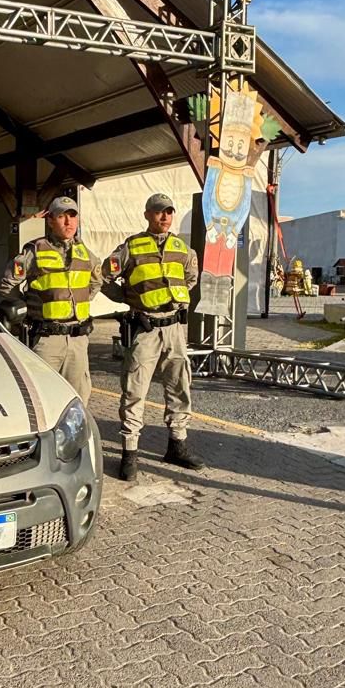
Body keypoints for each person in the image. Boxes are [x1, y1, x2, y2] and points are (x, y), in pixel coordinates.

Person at [102, 193, 203, 481]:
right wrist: (130, 300)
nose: (164, 217)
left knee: (179, 387)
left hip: (174, 330)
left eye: (169, 212)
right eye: (159, 212)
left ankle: (177, 445)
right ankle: (130, 452)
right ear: (148, 214)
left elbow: (190, 279)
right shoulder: (131, 247)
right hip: (145, 329)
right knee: (134, 391)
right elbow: (104, 278)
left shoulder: (184, 250)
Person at [0, 195, 102, 404]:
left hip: (77, 339)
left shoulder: (85, 253)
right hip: (46, 339)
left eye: (72, 216)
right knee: (42, 397)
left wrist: (77, 304)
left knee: (79, 398)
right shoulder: (35, 250)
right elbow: (7, 285)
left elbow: (96, 283)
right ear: (50, 221)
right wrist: (25, 309)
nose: (68, 222)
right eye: (62, 216)